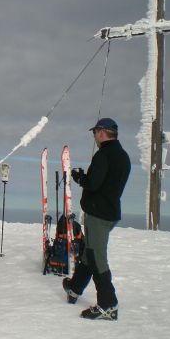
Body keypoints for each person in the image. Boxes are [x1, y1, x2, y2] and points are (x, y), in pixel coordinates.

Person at [63, 118, 131, 321]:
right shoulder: (123, 156)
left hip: (98, 215)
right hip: (110, 213)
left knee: (96, 256)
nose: (94, 137)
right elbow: (107, 183)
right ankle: (74, 287)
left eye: (95, 133)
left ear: (102, 132)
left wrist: (79, 177)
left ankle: (108, 304)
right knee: (89, 251)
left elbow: (93, 184)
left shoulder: (103, 155)